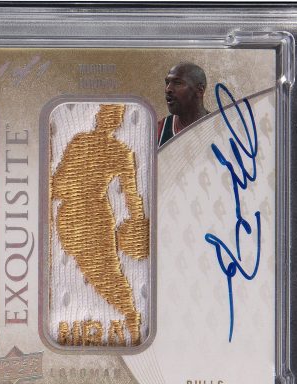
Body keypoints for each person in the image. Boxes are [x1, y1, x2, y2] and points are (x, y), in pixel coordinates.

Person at [52, 104, 149, 346]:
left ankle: (131, 322)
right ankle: (131, 321)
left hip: (90, 218)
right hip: (75, 216)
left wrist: (138, 225)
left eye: (109, 115)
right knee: (103, 274)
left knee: (107, 275)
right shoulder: (83, 142)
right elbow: (59, 179)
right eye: (103, 113)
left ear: (116, 121)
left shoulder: (115, 150)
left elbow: (132, 197)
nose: (102, 117)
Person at [157, 62, 209, 147]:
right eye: (167, 83)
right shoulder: (158, 131)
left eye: (177, 83)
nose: (168, 89)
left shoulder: (220, 128)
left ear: (200, 90)